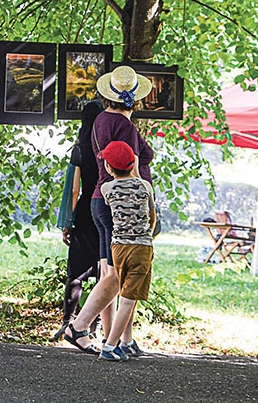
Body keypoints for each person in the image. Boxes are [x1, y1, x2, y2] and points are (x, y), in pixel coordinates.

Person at [61, 65, 153, 357]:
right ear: (134, 99)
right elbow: (135, 165)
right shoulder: (124, 126)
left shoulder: (101, 119)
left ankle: (123, 339)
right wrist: (142, 201)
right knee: (118, 275)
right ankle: (79, 327)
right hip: (121, 205)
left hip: (100, 199)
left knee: (110, 271)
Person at [96, 140, 156, 362]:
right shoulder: (145, 187)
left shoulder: (106, 189)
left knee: (125, 293)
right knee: (129, 299)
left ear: (109, 168)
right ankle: (110, 346)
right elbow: (152, 217)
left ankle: (124, 342)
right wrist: (145, 236)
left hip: (117, 248)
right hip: (141, 248)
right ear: (134, 164)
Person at [54, 100, 109, 339]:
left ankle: (68, 322)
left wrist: (69, 221)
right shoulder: (108, 148)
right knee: (102, 270)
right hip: (105, 209)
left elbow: (74, 191)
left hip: (85, 211)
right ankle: (94, 326)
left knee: (76, 273)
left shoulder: (79, 150)